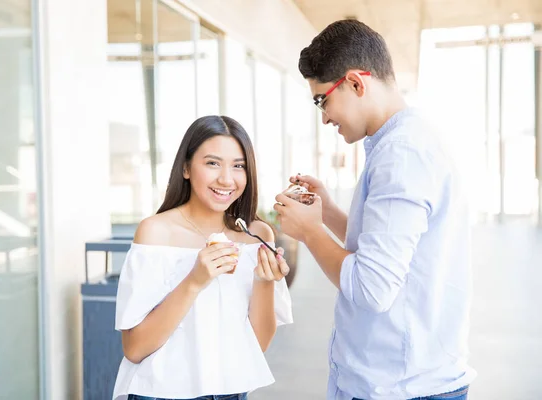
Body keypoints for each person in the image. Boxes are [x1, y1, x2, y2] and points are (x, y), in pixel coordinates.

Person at [273, 19, 476, 400]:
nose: (324, 116)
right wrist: (329, 212)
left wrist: (310, 232)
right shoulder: (405, 142)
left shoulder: (401, 155)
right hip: (407, 380)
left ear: (355, 82)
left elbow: (372, 287)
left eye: (323, 100)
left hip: (402, 387)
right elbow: (394, 251)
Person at [112, 115, 293, 400]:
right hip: (160, 394)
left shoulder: (256, 235)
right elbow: (135, 348)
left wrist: (264, 280)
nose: (226, 178)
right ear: (185, 168)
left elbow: (257, 344)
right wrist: (195, 280)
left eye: (238, 166)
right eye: (212, 163)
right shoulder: (156, 232)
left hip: (231, 392)